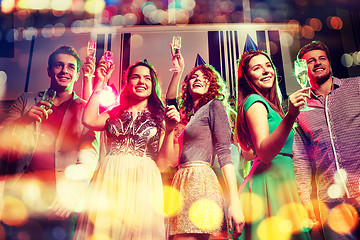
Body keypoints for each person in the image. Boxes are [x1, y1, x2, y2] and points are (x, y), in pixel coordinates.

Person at [0, 45, 100, 240]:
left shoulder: (85, 110)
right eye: (59, 65)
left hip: (60, 200)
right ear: (48, 71)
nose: (64, 71)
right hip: (19, 197)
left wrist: (72, 193)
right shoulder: (26, 100)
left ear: (78, 74)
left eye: (71, 67)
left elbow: (89, 157)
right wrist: (24, 121)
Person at [73, 59, 179, 240]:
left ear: (152, 85)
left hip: (144, 180)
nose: (141, 82)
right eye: (135, 77)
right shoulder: (114, 112)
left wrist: (169, 131)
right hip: (110, 177)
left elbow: (162, 163)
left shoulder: (161, 117)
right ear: (128, 83)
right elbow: (88, 120)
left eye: (147, 78)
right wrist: (100, 82)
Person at [165, 45, 244, 240]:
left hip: (202, 181)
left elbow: (225, 154)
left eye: (205, 77)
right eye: (194, 77)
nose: (199, 79)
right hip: (181, 181)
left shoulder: (214, 105)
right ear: (187, 84)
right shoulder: (189, 117)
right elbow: (170, 102)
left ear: (212, 85)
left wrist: (235, 202)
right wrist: (178, 72)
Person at [235, 50, 311, 240]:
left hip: (280, 181)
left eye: (268, 66)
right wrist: (291, 116)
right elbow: (264, 152)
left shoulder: (270, 105)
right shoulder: (255, 102)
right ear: (247, 77)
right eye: (257, 68)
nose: (266, 71)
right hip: (269, 183)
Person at [293, 41, 360, 240]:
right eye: (311, 61)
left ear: (329, 63)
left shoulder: (356, 87)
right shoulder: (300, 108)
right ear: (303, 69)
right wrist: (305, 201)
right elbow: (301, 159)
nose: (318, 63)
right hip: (330, 201)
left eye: (322, 58)